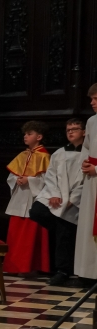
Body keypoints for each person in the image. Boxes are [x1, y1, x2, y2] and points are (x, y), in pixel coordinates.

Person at [30, 118, 86, 285]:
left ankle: (62, 271)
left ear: (84, 132)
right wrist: (54, 195)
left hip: (75, 202)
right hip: (56, 198)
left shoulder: (88, 154)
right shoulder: (59, 153)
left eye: (75, 129)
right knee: (37, 211)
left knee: (64, 228)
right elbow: (51, 176)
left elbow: (85, 181)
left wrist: (72, 199)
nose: (70, 132)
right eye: (68, 129)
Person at [4, 121, 51, 275]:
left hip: (33, 198)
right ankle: (14, 266)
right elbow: (11, 176)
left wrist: (29, 180)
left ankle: (29, 267)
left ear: (39, 136)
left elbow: (47, 179)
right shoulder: (22, 155)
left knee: (30, 235)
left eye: (29, 134)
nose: (25, 136)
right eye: (25, 133)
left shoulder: (45, 156)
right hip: (19, 197)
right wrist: (16, 179)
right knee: (16, 234)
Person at [74, 85, 97, 285]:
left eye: (95, 98)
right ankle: (88, 272)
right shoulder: (91, 121)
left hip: (96, 173)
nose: (92, 103)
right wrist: (85, 162)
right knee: (88, 224)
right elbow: (87, 148)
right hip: (92, 180)